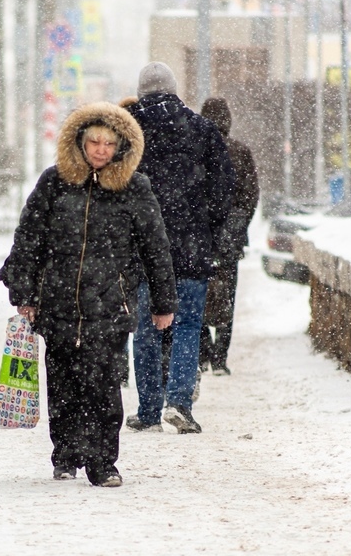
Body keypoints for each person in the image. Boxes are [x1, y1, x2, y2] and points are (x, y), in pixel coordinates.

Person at [0, 102, 177, 487]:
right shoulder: (54, 181)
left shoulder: (134, 188)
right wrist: (24, 292)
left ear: (121, 147)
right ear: (78, 142)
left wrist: (164, 302)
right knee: (62, 385)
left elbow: (155, 247)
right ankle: (65, 453)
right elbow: (29, 238)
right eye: (93, 141)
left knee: (103, 386)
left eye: (108, 143)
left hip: (110, 305)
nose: (100, 149)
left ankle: (102, 462)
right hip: (59, 302)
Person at [122, 62, 235, 434]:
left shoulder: (127, 131)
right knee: (187, 324)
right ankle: (180, 403)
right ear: (173, 90)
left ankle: (150, 410)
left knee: (146, 328)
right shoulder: (202, 129)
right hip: (191, 245)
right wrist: (206, 227)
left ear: (141, 92)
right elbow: (223, 191)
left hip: (143, 248)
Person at [198, 97, 260, 376]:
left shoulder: (195, 150)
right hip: (230, 239)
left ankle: (202, 353)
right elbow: (250, 196)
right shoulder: (240, 152)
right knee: (227, 296)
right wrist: (237, 225)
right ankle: (220, 358)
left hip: (198, 238)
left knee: (195, 294)